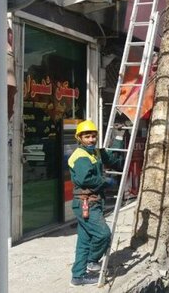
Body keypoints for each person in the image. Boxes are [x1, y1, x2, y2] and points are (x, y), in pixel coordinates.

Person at [68, 120, 120, 286]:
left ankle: (78, 276)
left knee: (84, 241)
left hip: (92, 201)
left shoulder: (95, 152)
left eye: (93, 136)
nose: (91, 139)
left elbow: (112, 159)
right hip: (86, 203)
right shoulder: (80, 156)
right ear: (79, 138)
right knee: (103, 234)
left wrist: (118, 137)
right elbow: (86, 179)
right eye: (87, 137)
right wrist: (105, 181)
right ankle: (92, 260)